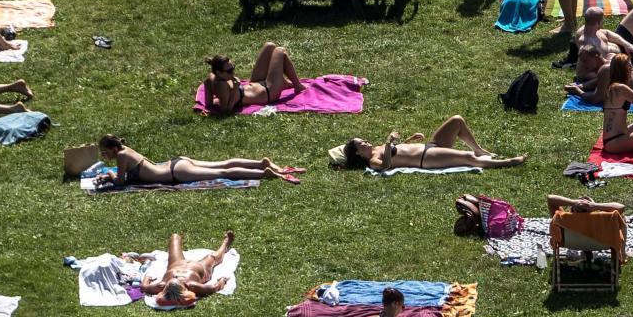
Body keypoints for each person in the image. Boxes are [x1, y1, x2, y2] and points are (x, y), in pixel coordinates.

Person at [334, 116, 524, 174]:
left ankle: (479, 149)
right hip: (426, 159)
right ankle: (507, 162)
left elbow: (398, 151)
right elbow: (386, 165)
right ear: (358, 154)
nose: (366, 142)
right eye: (362, 144)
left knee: (457, 120)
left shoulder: (377, 148)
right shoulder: (373, 159)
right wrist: (389, 141)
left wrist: (409, 139)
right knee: (467, 159)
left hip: (429, 147)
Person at [97, 134, 300, 187]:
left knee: (223, 173)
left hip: (174, 173)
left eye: (106, 153)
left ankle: (262, 172)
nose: (105, 156)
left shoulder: (121, 156)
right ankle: (259, 162)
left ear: (114, 149)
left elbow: (121, 181)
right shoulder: (126, 150)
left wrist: (110, 174)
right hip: (177, 163)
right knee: (224, 163)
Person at [201, 45, 304, 115]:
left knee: (270, 46)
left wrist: (211, 105)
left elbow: (209, 104)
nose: (233, 72)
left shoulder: (211, 78)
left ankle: (284, 83)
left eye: (233, 67)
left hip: (256, 83)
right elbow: (226, 111)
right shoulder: (222, 86)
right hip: (268, 92)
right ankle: (297, 86)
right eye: (229, 71)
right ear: (219, 73)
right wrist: (234, 89)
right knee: (280, 51)